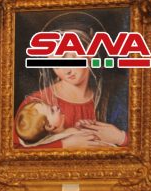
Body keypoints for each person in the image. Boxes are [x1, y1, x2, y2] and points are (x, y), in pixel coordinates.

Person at [13, 12, 129, 150]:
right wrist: (63, 145)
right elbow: (13, 151)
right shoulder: (36, 104)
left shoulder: (112, 100)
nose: (66, 71)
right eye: (56, 65)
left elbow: (145, 143)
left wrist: (121, 138)